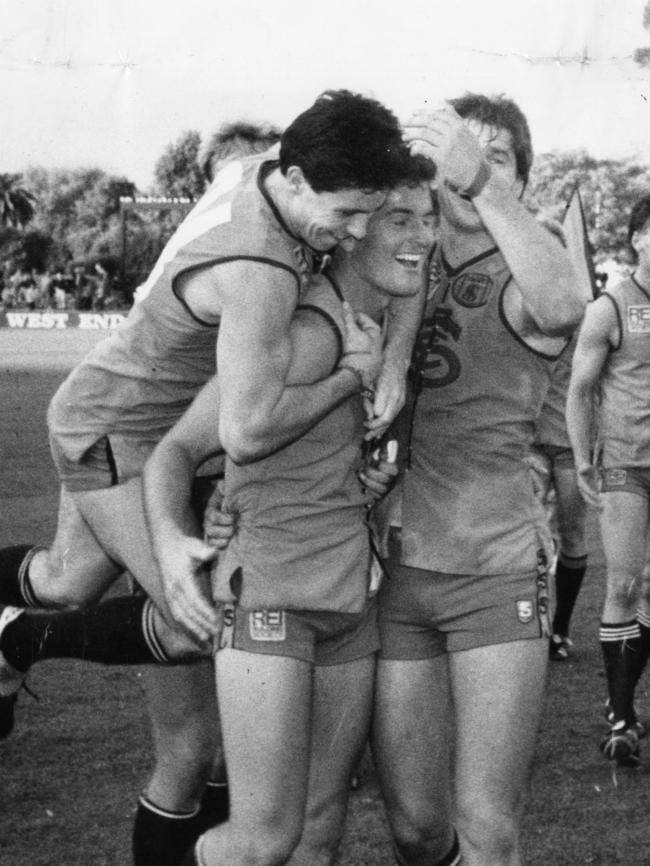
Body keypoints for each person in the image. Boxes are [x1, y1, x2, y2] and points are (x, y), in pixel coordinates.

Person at [0, 90, 418, 866]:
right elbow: (247, 429)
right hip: (114, 432)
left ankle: (24, 629)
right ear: (292, 178)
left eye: (371, 214)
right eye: (349, 214)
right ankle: (17, 640)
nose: (355, 233)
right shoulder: (261, 269)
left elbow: (402, 236)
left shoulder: (274, 169)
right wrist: (355, 373)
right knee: (200, 623)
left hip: (149, 427)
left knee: (65, 580)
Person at [371, 94, 584, 866]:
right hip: (396, 573)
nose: (467, 167)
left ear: (521, 183)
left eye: (495, 157)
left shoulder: (530, 261)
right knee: (415, 828)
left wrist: (483, 184)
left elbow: (565, 306)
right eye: (457, 152)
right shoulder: (402, 262)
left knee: (487, 825)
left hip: (493, 571)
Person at [566, 194, 650, 766]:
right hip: (626, 465)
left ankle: (624, 708)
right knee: (623, 583)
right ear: (638, 238)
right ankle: (620, 718)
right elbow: (578, 389)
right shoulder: (612, 307)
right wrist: (581, 457)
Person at [533, 332, 589, 661]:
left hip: (572, 444)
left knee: (573, 534)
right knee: (529, 536)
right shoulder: (524, 311)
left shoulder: (589, 319)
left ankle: (560, 628)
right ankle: (533, 628)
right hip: (530, 441)